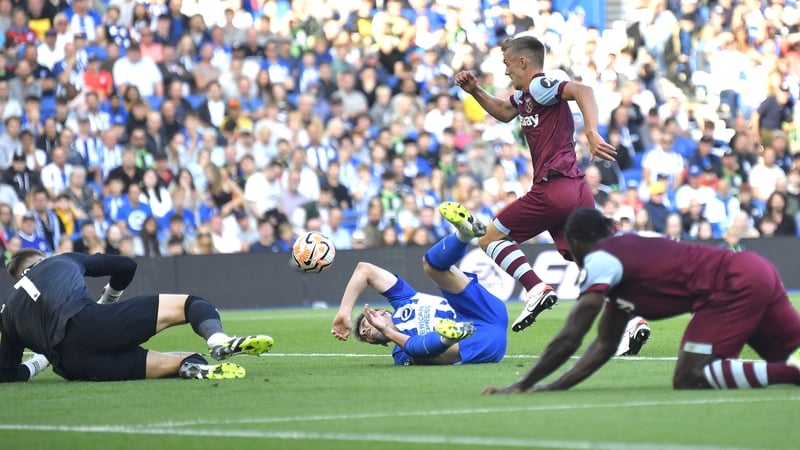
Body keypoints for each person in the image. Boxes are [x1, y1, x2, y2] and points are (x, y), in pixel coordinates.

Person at [484, 208, 800, 394]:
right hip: (755, 270)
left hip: (731, 287)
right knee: (791, 353)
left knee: (690, 376)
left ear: (578, 242)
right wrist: (553, 387)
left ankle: (791, 374)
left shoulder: (601, 259)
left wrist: (523, 384)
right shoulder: (622, 264)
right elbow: (603, 346)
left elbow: (571, 337)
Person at [452, 35, 616, 333]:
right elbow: (504, 112)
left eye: (507, 64)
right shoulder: (526, 97)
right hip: (576, 189)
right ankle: (632, 321)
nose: (505, 71)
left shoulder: (540, 86)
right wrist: (475, 90)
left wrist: (591, 132)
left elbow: (583, 90)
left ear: (523, 62)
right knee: (590, 261)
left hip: (554, 187)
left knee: (489, 238)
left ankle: (536, 288)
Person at [0, 250, 274, 382]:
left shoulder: (8, 309)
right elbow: (126, 266)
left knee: (171, 362)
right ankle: (217, 340)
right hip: (93, 323)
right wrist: (108, 299)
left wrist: (39, 362)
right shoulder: (59, 261)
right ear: (42, 259)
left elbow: (6, 374)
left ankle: (195, 367)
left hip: (73, 365)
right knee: (191, 303)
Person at [330, 203, 506, 365]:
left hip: (485, 311)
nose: (364, 333)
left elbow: (364, 270)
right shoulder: (399, 353)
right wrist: (387, 332)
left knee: (430, 266)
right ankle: (449, 337)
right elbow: (422, 355)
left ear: (380, 311)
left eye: (364, 324)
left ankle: (464, 234)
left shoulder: (404, 298)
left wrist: (344, 312)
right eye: (365, 338)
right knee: (418, 351)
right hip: (481, 342)